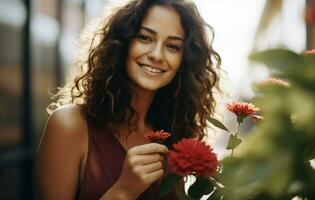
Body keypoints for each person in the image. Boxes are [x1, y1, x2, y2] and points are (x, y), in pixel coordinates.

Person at [36, 0, 221, 199]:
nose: (157, 55)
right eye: (145, 38)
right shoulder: (70, 124)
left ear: (184, 61)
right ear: (121, 43)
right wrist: (123, 191)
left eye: (172, 46)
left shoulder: (173, 132)